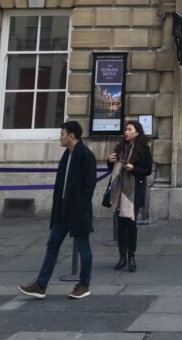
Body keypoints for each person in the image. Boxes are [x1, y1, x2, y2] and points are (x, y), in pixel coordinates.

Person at [18, 120, 97, 300]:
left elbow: (89, 185)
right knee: (52, 245)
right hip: (62, 210)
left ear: (71, 136)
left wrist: (81, 206)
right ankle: (41, 284)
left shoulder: (85, 155)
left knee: (83, 247)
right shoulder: (66, 155)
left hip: (77, 211)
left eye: (62, 134)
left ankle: (84, 285)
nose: (59, 137)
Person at [107, 120, 152, 272]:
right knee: (120, 225)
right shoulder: (120, 147)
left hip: (134, 191)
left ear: (137, 132)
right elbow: (112, 168)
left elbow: (147, 170)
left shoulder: (143, 149)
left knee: (131, 225)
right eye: (125, 129)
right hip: (119, 189)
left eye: (129, 129)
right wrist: (109, 161)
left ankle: (131, 256)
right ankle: (122, 257)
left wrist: (133, 168)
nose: (126, 132)